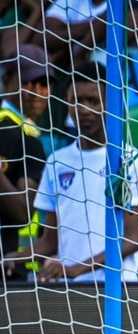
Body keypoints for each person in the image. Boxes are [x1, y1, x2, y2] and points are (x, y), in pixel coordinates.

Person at [31, 62, 138, 283]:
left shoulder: (131, 160)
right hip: (68, 290)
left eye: (93, 101)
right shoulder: (57, 161)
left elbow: (133, 238)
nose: (84, 110)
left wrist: (77, 269)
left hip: (118, 286)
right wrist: (14, 258)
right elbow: (50, 241)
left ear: (110, 103)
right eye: (76, 101)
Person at [0, 45, 48, 277]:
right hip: (14, 265)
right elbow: (24, 211)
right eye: (29, 82)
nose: (37, 91)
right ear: (7, 79)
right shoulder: (24, 136)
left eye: (44, 84)